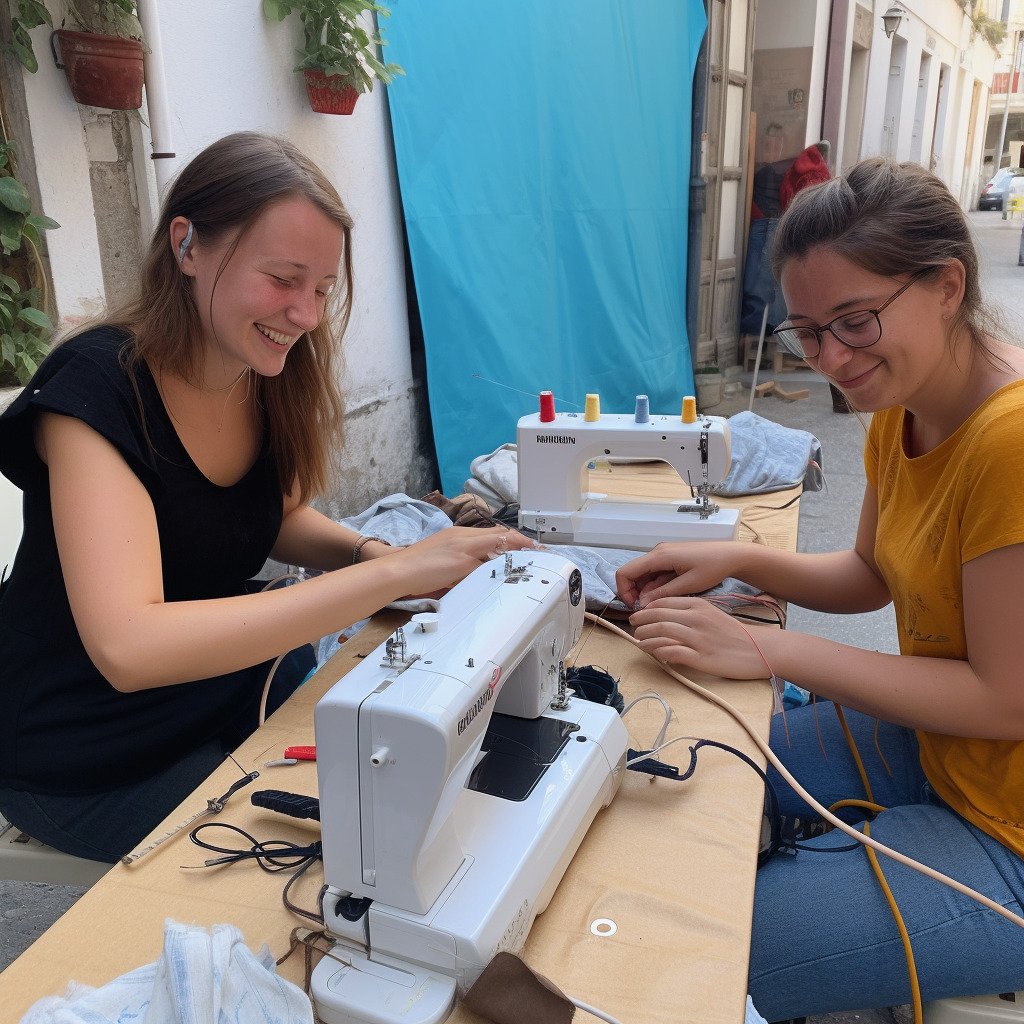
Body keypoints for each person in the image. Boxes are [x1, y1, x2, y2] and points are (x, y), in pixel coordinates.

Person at [0, 132, 532, 864]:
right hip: (87, 750)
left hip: (221, 693)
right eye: (284, 279)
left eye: (322, 288)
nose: (307, 315)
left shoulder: (261, 370)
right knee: (341, 862)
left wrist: (371, 551)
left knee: (435, 793)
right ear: (186, 246)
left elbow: (269, 518)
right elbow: (128, 645)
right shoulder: (96, 390)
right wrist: (391, 574)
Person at [616, 158, 1024, 1020]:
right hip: (947, 750)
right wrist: (735, 559)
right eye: (807, 332)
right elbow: (873, 577)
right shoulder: (903, 405)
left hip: (1010, 828)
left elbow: (1001, 699)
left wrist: (768, 644)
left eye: (856, 321)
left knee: (699, 948)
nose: (832, 359)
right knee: (682, 773)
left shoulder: (1009, 443)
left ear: (947, 285)